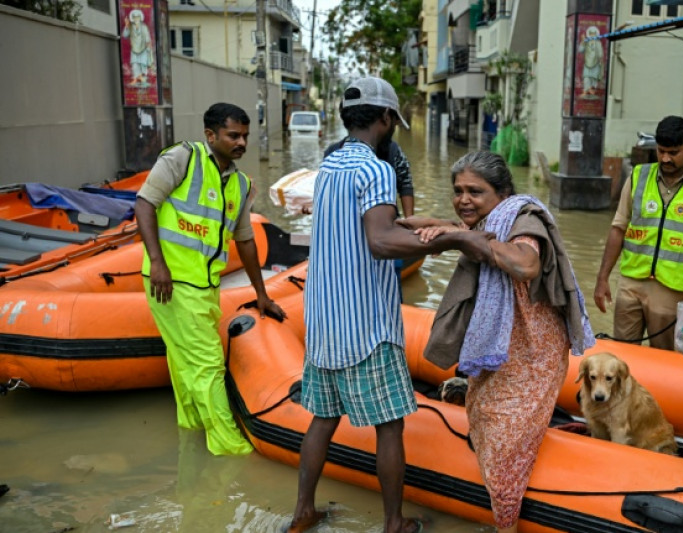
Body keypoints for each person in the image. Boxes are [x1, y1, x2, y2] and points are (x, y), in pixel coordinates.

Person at [288, 77, 495, 533]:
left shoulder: (331, 168)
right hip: (366, 326)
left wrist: (430, 227)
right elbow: (381, 241)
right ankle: (393, 523)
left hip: (323, 320)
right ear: (385, 118)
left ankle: (303, 511)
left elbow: (372, 227)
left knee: (323, 419)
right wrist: (456, 238)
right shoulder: (377, 169)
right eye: (393, 120)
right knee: (390, 427)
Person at [410, 151, 595, 533]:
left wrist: (458, 235)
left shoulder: (524, 221)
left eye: (475, 191)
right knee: (480, 412)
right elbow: (466, 226)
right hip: (499, 346)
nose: (463, 199)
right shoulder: (488, 220)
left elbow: (525, 262)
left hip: (533, 353)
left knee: (504, 441)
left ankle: (506, 524)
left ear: (503, 192)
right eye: (457, 190)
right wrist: (438, 226)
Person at [135, 102, 286, 456]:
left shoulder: (241, 184)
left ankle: (192, 435)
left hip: (206, 287)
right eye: (234, 135)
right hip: (171, 282)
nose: (242, 143)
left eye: (245, 136)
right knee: (207, 364)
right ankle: (230, 451)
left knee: (184, 361)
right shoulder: (182, 159)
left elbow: (245, 240)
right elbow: (145, 203)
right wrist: (158, 262)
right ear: (211, 135)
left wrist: (261, 294)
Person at [594, 116, 683, 350]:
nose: (666, 158)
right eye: (661, 151)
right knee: (621, 357)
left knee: (665, 359)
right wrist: (602, 278)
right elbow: (618, 228)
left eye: (673, 152)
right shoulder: (638, 177)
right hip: (631, 284)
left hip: (674, 292)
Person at [325, 137, 415, 217]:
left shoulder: (393, 150)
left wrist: (409, 220)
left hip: (386, 220)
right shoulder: (332, 152)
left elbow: (405, 184)